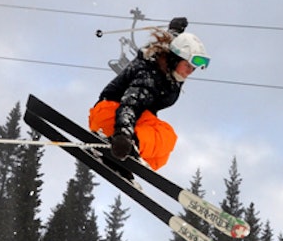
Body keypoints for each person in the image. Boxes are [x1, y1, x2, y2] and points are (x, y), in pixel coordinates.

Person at [88, 16, 208, 172]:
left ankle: (129, 156)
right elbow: (130, 104)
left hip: (132, 119)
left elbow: (170, 45)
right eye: (187, 66)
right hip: (109, 114)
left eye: (193, 68)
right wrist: (123, 134)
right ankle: (126, 148)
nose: (190, 72)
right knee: (159, 134)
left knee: (164, 145)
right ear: (175, 59)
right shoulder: (150, 74)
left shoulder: (170, 71)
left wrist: (174, 31)